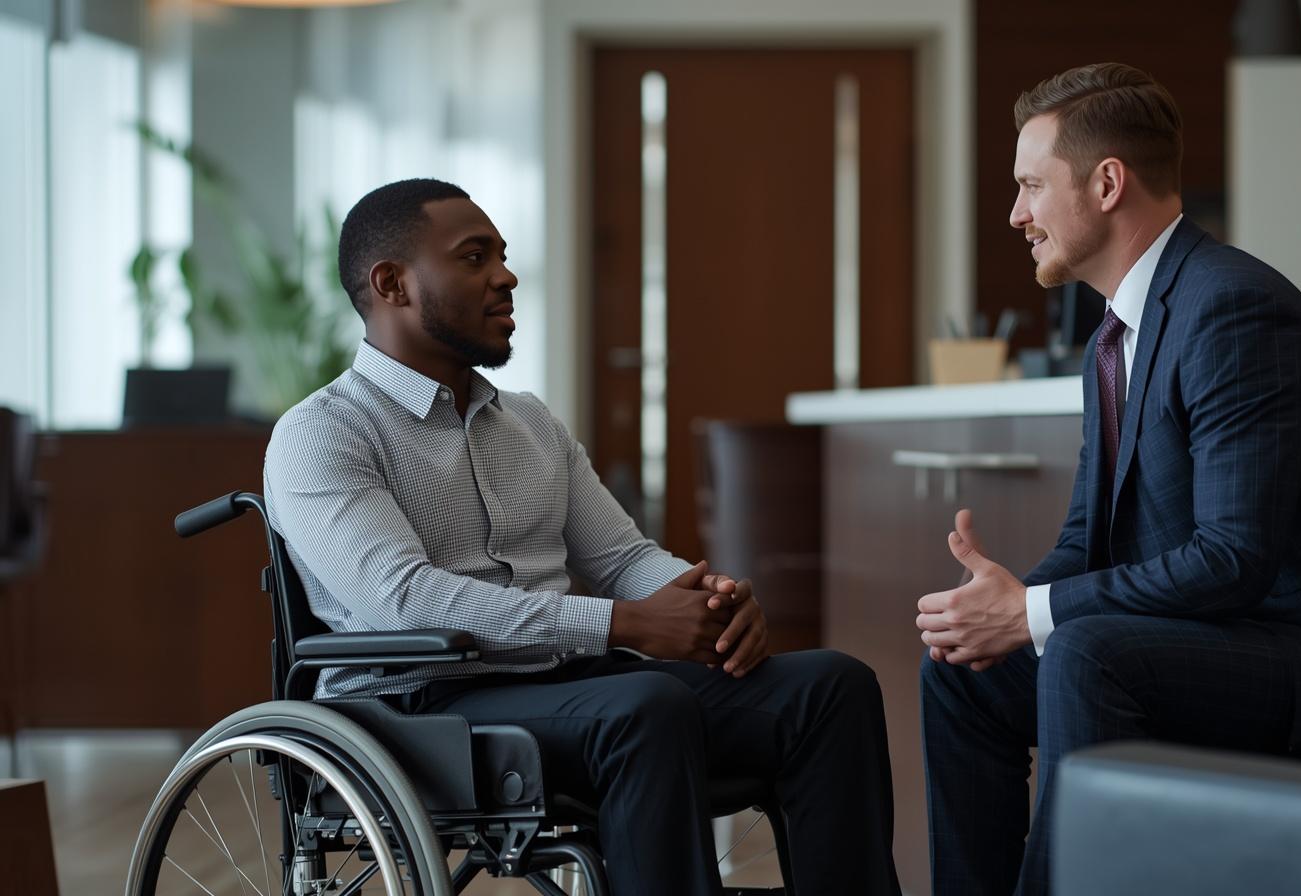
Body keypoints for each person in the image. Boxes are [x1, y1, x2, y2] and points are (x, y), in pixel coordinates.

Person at [263, 178, 900, 896]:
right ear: (392, 284)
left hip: (560, 687)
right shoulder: (322, 433)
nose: (504, 276)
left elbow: (623, 558)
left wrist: (705, 603)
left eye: (501, 256)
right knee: (644, 709)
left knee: (831, 687)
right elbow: (405, 602)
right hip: (414, 707)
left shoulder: (530, 423)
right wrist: (625, 625)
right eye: (474, 258)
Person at [916, 64, 1301, 896]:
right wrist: (1003, 610)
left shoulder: (1233, 311)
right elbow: (1089, 539)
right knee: (961, 669)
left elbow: (1234, 557)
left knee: (1084, 653)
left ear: (1108, 183)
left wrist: (1034, 613)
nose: (1016, 214)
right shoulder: (1114, 335)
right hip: (1215, 640)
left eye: (1031, 186)